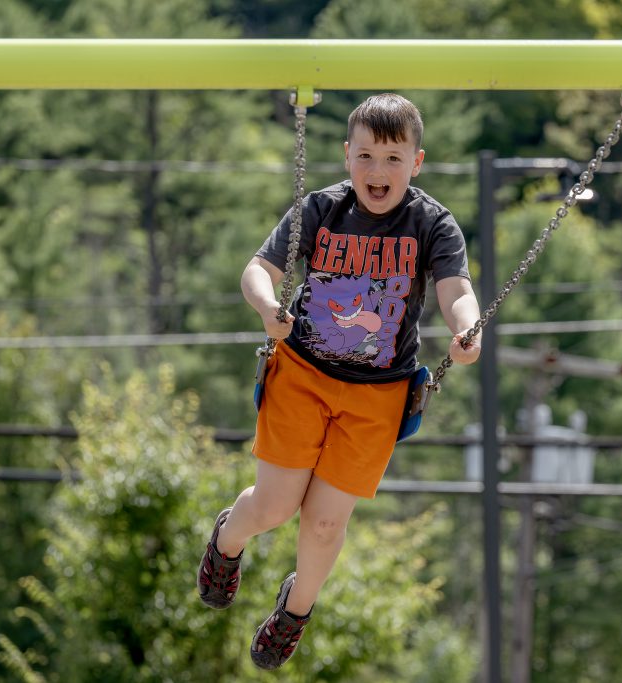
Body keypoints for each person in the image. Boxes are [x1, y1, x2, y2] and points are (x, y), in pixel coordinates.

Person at [196, 93, 481, 670]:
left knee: (325, 523)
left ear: (417, 162)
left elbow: (456, 290)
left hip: (378, 393)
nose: (379, 172)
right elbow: (259, 268)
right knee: (275, 508)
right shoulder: (321, 209)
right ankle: (228, 539)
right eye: (367, 156)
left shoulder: (432, 223)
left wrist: (468, 330)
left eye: (393, 159)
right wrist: (266, 306)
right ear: (346, 155)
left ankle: (294, 610)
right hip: (303, 372)